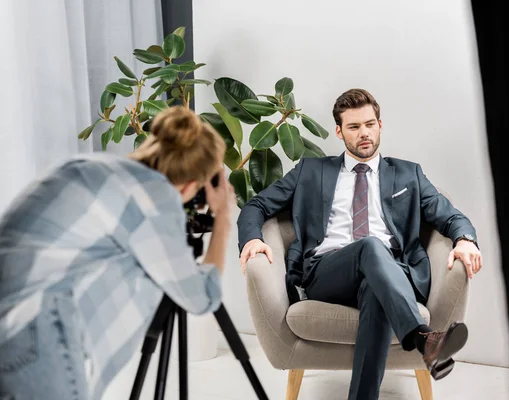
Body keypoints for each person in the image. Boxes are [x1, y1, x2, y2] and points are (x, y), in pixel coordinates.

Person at [237, 88, 483, 399]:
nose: (364, 133)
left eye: (369, 124)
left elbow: (451, 216)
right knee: (370, 245)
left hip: (392, 273)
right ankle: (423, 338)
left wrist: (465, 240)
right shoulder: (311, 171)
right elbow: (255, 206)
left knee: (375, 289)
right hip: (327, 273)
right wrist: (252, 239)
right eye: (354, 127)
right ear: (339, 132)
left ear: (380, 124)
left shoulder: (409, 174)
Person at [0, 106, 235, 400]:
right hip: (34, 331)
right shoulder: (154, 196)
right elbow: (201, 298)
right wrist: (223, 216)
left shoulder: (88, 165)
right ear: (192, 183)